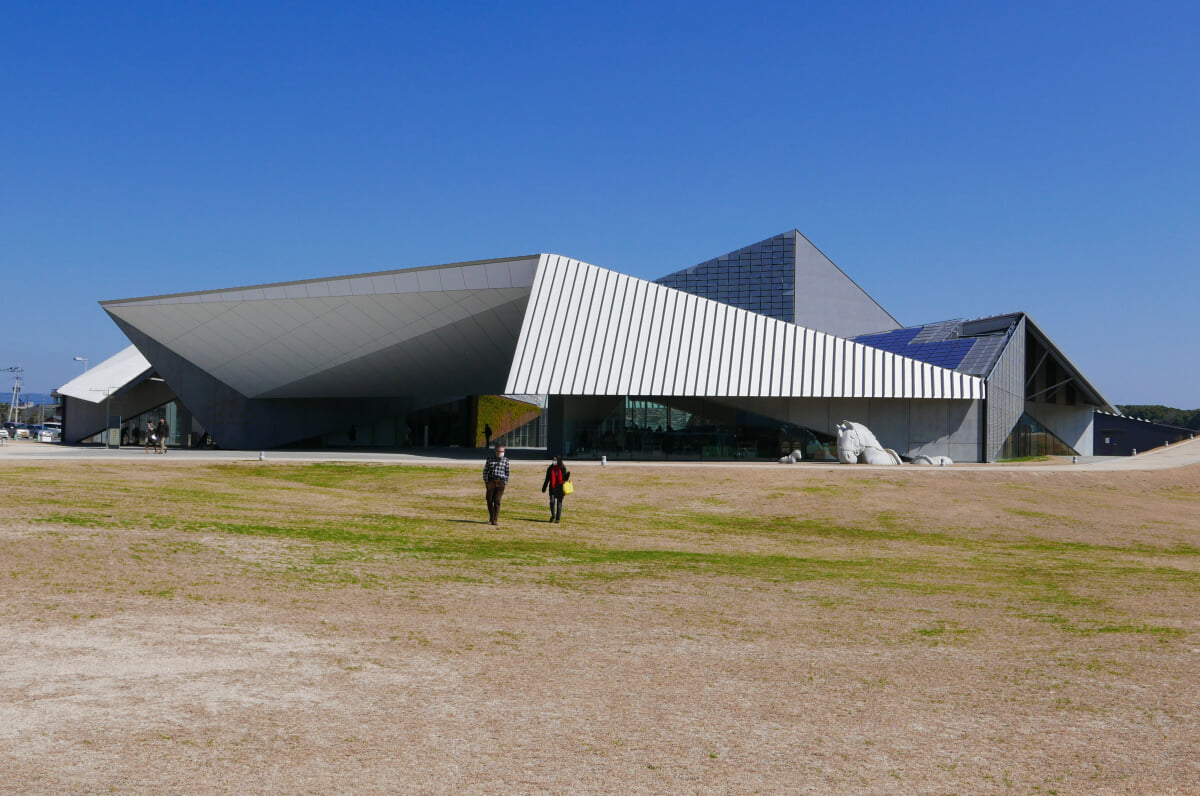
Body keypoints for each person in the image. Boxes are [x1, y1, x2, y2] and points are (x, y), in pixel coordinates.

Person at [482, 443, 510, 526]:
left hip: (501, 482)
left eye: (503, 451)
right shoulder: (490, 459)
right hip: (491, 481)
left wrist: (505, 482)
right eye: (500, 451)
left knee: (497, 501)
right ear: (496, 451)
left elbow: (507, 472)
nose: (501, 453)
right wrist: (486, 481)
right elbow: (485, 471)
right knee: (489, 499)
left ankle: (494, 519)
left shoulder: (506, 460)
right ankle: (491, 516)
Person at [541, 455, 571, 523]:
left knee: (559, 504)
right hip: (552, 487)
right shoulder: (550, 468)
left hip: (560, 487)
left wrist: (567, 475)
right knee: (552, 502)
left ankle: (558, 518)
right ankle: (553, 515)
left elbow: (564, 479)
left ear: (558, 461)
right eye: (553, 460)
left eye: (555, 460)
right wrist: (544, 488)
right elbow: (547, 479)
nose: (553, 461)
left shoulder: (562, 468)